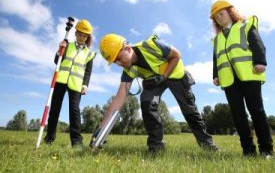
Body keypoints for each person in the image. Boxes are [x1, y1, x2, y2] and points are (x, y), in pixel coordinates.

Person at [91, 33, 218, 152]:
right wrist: (100, 129)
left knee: (189, 109)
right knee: (146, 102)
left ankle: (207, 144)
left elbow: (176, 55)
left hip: (174, 73)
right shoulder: (128, 70)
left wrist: (164, 76)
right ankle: (156, 146)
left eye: (118, 58)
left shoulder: (151, 46)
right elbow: (119, 98)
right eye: (114, 62)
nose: (118, 64)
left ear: (128, 49)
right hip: (155, 82)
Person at [210, 0, 274, 157]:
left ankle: (267, 150)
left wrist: (260, 62)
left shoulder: (245, 26)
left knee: (257, 112)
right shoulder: (217, 39)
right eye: (216, 17)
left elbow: (258, 44)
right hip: (229, 80)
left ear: (230, 12)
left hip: (249, 75)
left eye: (221, 13)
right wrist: (215, 75)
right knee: (238, 116)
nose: (219, 17)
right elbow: (216, 58)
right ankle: (248, 151)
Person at [44, 19, 96, 147]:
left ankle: (77, 142)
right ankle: (49, 138)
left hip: (76, 84)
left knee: (74, 112)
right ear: (76, 33)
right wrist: (59, 51)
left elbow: (88, 72)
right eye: (79, 34)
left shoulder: (89, 54)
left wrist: (85, 85)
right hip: (60, 80)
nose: (81, 37)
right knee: (54, 110)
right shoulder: (67, 46)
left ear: (87, 37)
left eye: (84, 36)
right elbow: (58, 62)